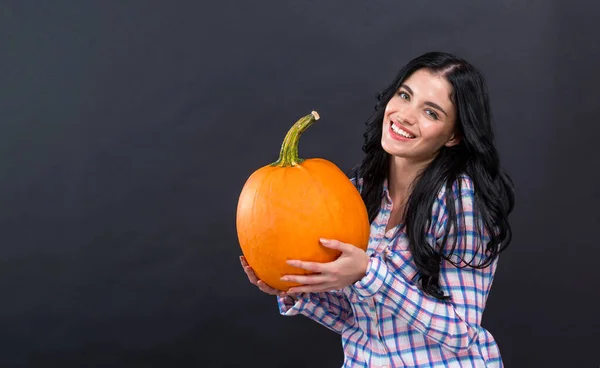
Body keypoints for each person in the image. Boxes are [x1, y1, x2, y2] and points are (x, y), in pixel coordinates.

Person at [240, 51, 515, 368]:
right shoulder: (359, 191)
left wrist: (370, 273)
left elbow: (461, 332)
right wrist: (294, 290)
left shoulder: (460, 200)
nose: (405, 115)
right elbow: (363, 322)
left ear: (454, 135)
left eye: (431, 113)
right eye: (405, 95)